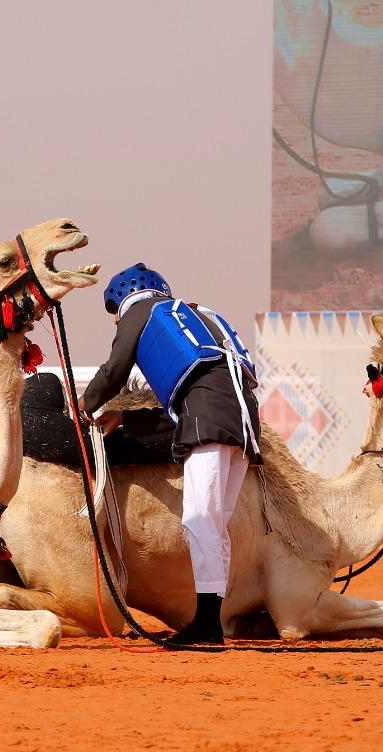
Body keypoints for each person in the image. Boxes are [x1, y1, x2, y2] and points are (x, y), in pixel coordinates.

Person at [80, 263, 261, 645]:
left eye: (115, 314)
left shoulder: (140, 310)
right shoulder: (199, 318)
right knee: (214, 525)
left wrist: (83, 404)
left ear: (125, 298)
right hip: (242, 425)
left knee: (200, 520)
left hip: (211, 424)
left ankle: (207, 625)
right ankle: (211, 622)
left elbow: (114, 370)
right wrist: (125, 418)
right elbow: (187, 404)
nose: (117, 323)